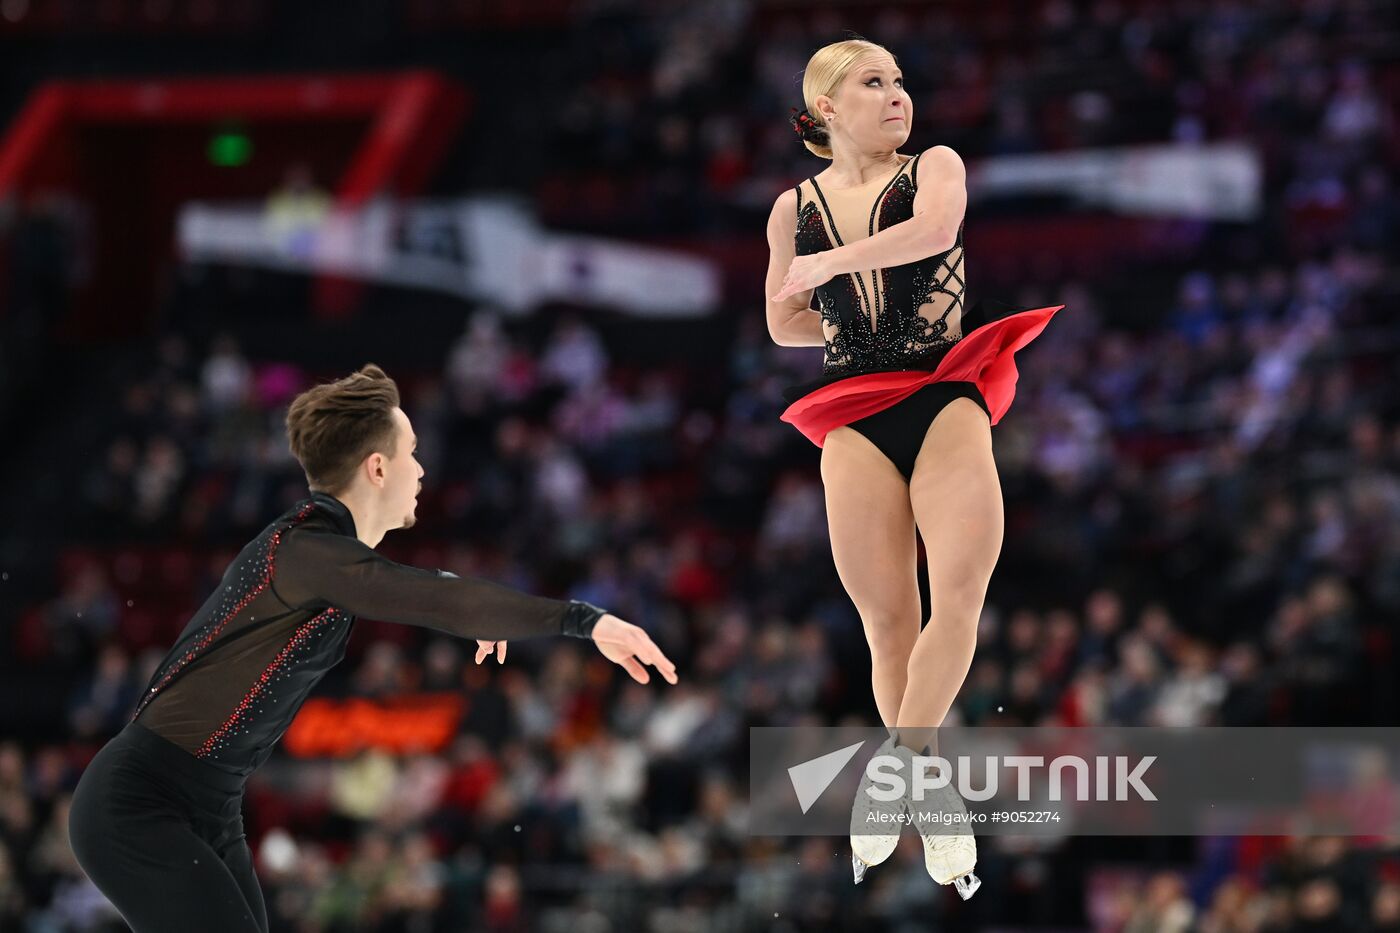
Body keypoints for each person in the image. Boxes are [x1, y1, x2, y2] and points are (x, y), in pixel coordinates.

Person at [67, 364, 679, 933]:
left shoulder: (323, 555)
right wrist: (585, 621)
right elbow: (417, 594)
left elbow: (414, 589)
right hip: (139, 802)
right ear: (379, 468)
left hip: (211, 808)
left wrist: (467, 608)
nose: (422, 471)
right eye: (412, 454)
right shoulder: (304, 551)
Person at [765, 38, 1064, 898]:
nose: (897, 95)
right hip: (855, 411)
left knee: (958, 593)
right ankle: (932, 795)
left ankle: (896, 774)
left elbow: (935, 232)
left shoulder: (933, 164)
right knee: (889, 623)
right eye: (874, 83)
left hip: (942, 394)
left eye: (899, 81)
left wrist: (832, 268)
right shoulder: (794, 209)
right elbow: (783, 323)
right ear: (829, 106)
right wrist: (837, 310)